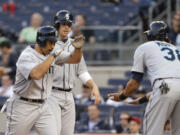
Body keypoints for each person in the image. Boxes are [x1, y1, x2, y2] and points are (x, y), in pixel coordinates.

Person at [5, 25, 83, 135]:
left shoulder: (51, 52)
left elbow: (75, 59)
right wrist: (53, 56)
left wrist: (78, 48)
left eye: (54, 42)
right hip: (23, 105)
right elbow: (36, 74)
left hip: (43, 106)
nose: (53, 46)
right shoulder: (26, 56)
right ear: (41, 42)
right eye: (50, 42)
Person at [108, 21, 180, 135]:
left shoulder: (145, 47)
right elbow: (173, 84)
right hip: (170, 86)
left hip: (164, 85)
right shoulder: (177, 49)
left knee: (151, 131)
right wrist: (142, 99)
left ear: (151, 34)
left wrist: (122, 96)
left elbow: (134, 84)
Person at [48, 10, 101, 135]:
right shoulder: (49, 44)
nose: (66, 27)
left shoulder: (75, 44)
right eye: (63, 24)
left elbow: (82, 71)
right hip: (52, 94)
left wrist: (94, 86)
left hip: (69, 95)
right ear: (56, 25)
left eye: (69, 24)